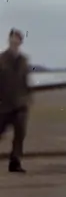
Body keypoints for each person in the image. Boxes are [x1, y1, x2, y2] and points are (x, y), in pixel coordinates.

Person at [0, 28, 31, 173]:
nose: (15, 40)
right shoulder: (1, 59)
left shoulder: (24, 60)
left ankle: (15, 162)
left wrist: (28, 99)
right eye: (13, 38)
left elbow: (26, 81)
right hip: (4, 104)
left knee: (20, 135)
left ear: (20, 41)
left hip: (21, 104)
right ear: (9, 40)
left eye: (17, 38)